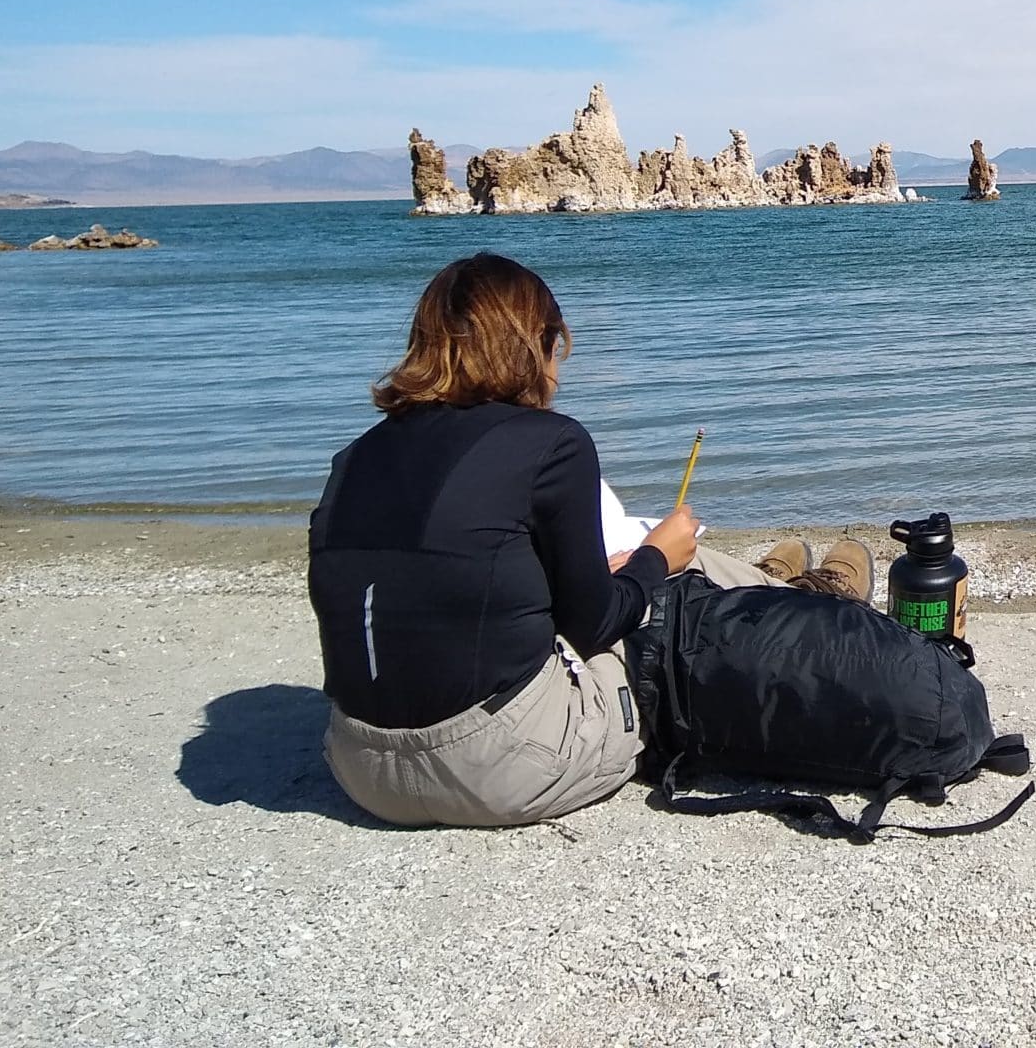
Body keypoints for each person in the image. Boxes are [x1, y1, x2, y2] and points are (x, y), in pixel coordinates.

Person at [306, 252, 870, 828]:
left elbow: (444, 584)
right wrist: (655, 559)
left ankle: (783, 590)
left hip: (361, 765)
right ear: (539, 345)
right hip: (497, 767)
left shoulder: (355, 457)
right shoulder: (549, 442)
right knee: (677, 591)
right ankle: (815, 607)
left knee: (633, 574)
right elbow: (595, 626)